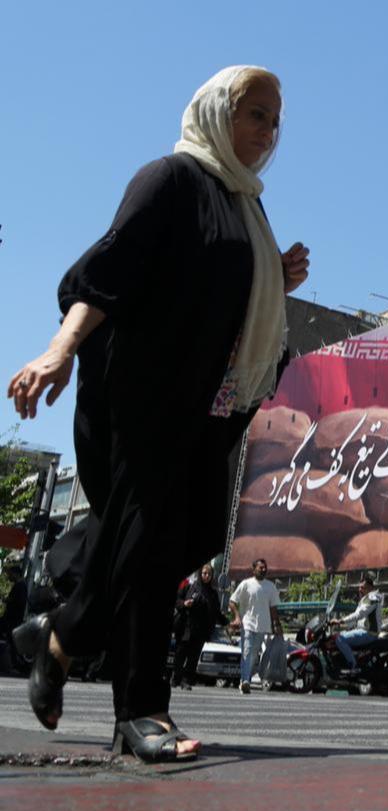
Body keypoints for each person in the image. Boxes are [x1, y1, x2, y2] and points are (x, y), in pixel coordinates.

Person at [6, 66, 306, 763]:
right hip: (144, 391)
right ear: (216, 111)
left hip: (208, 405)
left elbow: (224, 291)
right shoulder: (170, 180)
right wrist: (57, 351)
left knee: (191, 528)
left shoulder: (247, 206)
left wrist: (274, 275)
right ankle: (141, 710)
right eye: (255, 114)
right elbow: (107, 272)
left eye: (275, 122)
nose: (268, 133)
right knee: (145, 538)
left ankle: (61, 633)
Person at [229, 559, 283, 694]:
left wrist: (277, 624)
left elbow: (273, 608)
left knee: (253, 654)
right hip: (247, 623)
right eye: (260, 568)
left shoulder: (270, 587)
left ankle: (245, 679)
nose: (263, 570)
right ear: (254, 570)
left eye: (265, 568)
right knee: (247, 651)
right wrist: (237, 617)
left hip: (262, 626)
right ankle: (245, 681)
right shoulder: (246, 584)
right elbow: (232, 601)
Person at [171, 564, 227, 690]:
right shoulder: (190, 587)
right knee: (180, 654)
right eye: (204, 573)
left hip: (201, 630)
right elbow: (177, 600)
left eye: (208, 574)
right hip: (186, 627)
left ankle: (186, 680)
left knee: (193, 657)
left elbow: (217, 612)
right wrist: (185, 604)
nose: (206, 576)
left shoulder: (212, 593)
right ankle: (175, 678)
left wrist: (227, 622)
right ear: (200, 574)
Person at [331, 574, 383, 676]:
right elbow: (357, 620)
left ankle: (353, 665)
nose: (359, 590)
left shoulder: (372, 598)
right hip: (363, 631)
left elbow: (359, 614)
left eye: (363, 587)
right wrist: (342, 626)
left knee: (340, 639)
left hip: (369, 633)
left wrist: (340, 620)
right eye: (359, 587)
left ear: (371, 588)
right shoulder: (365, 599)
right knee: (337, 635)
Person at [0, 565, 29, 673]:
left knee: (13, 642)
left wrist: (7, 600)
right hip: (11, 619)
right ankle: (15, 664)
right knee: (12, 642)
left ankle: (16, 664)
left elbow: (18, 602)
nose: (8, 576)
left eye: (10, 574)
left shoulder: (20, 586)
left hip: (12, 620)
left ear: (16, 573)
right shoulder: (20, 585)